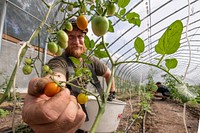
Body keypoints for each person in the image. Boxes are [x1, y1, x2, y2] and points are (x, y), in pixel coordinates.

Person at [22, 18, 116, 133]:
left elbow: (108, 74)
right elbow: (57, 74)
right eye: (71, 37)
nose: (76, 42)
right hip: (62, 115)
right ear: (64, 41)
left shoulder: (91, 60)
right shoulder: (59, 61)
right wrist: (53, 81)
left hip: (82, 113)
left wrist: (112, 93)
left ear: (85, 39)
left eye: (80, 37)